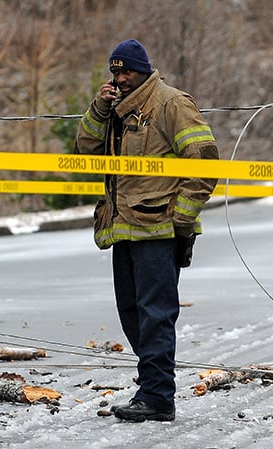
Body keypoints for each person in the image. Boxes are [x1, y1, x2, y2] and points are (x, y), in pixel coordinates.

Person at [74, 39, 219, 422]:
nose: (120, 79)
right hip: (124, 228)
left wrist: (182, 220)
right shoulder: (116, 110)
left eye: (127, 72)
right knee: (132, 314)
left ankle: (156, 396)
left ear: (144, 70)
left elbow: (203, 163)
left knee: (156, 315)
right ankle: (152, 388)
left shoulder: (171, 104)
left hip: (159, 229)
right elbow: (84, 152)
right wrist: (99, 109)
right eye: (115, 73)